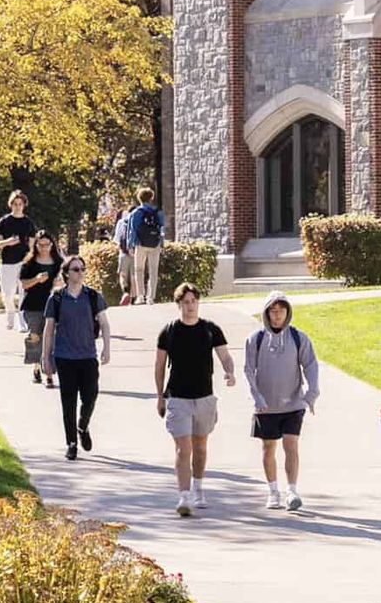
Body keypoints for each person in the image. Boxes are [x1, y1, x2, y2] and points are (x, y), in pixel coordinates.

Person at [155, 283, 235, 516]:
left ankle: (198, 488)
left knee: (200, 446)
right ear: (179, 304)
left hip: (204, 398)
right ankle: (184, 496)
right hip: (178, 398)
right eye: (186, 302)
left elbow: (225, 356)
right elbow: (160, 365)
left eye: (193, 301)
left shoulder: (211, 329)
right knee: (183, 448)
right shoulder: (169, 331)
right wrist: (159, 396)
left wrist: (230, 372)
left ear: (198, 303)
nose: (190, 306)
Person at [244, 290, 319, 512]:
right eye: (273, 311)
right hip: (265, 406)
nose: (277, 316)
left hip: (293, 404)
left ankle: (292, 491)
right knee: (268, 448)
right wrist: (257, 396)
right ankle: (273, 491)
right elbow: (249, 370)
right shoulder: (255, 340)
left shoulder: (299, 338)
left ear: (288, 313)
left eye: (281, 311)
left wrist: (311, 393)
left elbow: (311, 365)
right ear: (266, 314)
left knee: (291, 444)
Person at [41, 255, 111, 461]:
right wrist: (46, 357)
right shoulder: (56, 298)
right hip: (64, 357)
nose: (80, 273)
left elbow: (105, 324)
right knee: (68, 401)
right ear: (66, 273)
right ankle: (71, 443)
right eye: (75, 269)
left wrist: (107, 347)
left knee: (91, 396)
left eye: (82, 269)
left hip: (88, 355)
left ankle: (83, 426)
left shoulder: (92, 296)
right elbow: (49, 328)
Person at [19, 230, 63, 386]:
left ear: (52, 245)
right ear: (36, 245)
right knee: (36, 336)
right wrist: (36, 280)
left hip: (53, 305)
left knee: (51, 338)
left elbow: (65, 281)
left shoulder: (58, 262)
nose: (44, 248)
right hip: (33, 305)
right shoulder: (29, 263)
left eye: (47, 245)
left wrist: (59, 283)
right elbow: (24, 284)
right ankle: (36, 367)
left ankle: (49, 372)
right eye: (41, 245)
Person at [0, 191, 36, 332]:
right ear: (11, 205)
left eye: (20, 204)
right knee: (7, 294)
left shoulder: (28, 223)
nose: (17, 207)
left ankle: (22, 322)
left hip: (24, 263)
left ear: (24, 205)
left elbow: (32, 245)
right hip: (7, 263)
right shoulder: (4, 222)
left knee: (24, 293)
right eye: (15, 204)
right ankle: (10, 315)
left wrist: (29, 258)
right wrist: (8, 242)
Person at [128, 187, 165, 305]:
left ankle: (140, 296)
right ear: (151, 198)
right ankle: (151, 297)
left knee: (139, 270)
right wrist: (161, 243)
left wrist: (131, 245)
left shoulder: (136, 213)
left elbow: (132, 230)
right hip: (155, 244)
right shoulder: (158, 212)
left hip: (140, 244)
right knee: (153, 270)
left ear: (139, 198)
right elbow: (162, 228)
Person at [113, 205, 137, 302]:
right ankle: (134, 299)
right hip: (136, 253)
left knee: (123, 275)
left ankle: (126, 292)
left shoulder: (122, 222)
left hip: (123, 253)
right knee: (134, 276)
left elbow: (117, 239)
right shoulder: (138, 221)